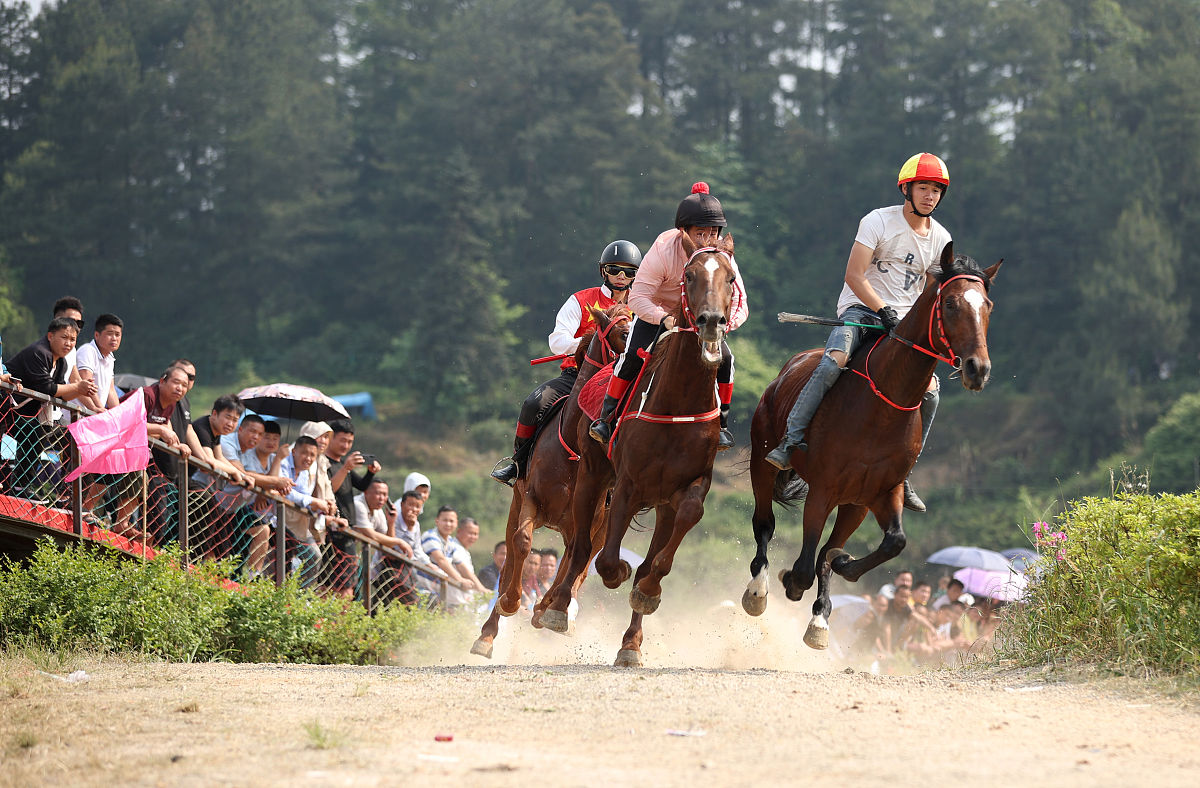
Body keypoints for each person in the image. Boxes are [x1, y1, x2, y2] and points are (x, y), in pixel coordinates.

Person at [765, 153, 954, 513]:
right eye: (923, 188)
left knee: (931, 392)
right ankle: (790, 441)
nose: (930, 196)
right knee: (832, 362)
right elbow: (854, 275)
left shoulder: (942, 238)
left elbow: (929, 295)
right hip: (862, 311)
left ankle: (904, 472)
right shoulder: (877, 221)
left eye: (936, 190)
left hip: (903, 328)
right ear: (907, 189)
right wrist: (883, 310)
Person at [589, 183, 748, 450]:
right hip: (658, 314)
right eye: (700, 233)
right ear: (683, 232)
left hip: (700, 320)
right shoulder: (663, 250)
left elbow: (740, 302)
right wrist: (663, 318)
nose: (707, 239)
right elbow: (638, 297)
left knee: (726, 359)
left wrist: (724, 325)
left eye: (712, 232)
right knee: (632, 355)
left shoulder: (722, 258)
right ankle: (607, 418)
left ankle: (721, 424)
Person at [491, 239, 642, 485]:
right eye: (614, 269)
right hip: (578, 376)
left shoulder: (642, 306)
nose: (621, 276)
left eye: (629, 272)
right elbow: (557, 341)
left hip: (625, 379)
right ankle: (518, 464)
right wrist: (592, 343)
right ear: (603, 271)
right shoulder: (581, 300)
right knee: (533, 403)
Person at [4, 317, 98, 495]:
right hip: (6, 406)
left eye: (73, 339)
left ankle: (20, 487)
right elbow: (47, 388)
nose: (68, 343)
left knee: (37, 435)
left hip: (22, 413)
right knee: (33, 434)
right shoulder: (39, 352)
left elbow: (60, 394)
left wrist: (82, 391)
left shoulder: (61, 362)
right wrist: (78, 387)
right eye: (64, 337)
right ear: (50, 336)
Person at [325, 419, 381, 593]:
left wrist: (370, 473)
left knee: (346, 586)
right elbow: (329, 490)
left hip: (346, 532)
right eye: (342, 440)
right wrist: (346, 468)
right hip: (330, 530)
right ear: (330, 438)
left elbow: (362, 486)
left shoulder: (342, 464)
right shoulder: (324, 462)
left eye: (350, 442)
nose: (346, 445)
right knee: (329, 585)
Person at [280, 435, 333, 587]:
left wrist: (321, 506)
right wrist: (314, 502)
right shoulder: (283, 463)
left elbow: (303, 496)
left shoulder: (303, 472)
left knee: (314, 556)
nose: (308, 458)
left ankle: (302, 596)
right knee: (278, 564)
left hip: (295, 525)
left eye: (312, 455)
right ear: (294, 451)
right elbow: (286, 492)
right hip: (277, 520)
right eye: (304, 453)